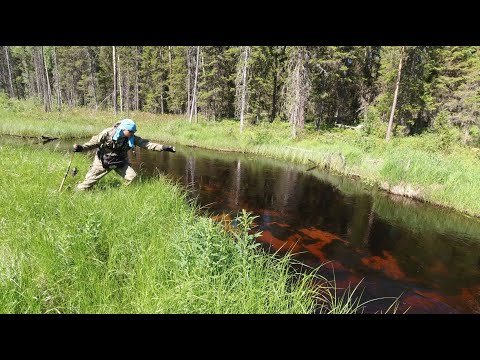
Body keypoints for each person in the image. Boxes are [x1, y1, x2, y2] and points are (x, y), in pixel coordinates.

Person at [72, 118, 176, 191]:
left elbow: (146, 144)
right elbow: (94, 142)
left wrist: (163, 147)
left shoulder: (132, 137)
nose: (132, 133)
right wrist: (81, 148)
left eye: (134, 131)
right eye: (131, 131)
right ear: (123, 129)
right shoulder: (108, 133)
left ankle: (121, 191)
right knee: (87, 183)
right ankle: (76, 191)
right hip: (103, 160)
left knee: (133, 177)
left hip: (120, 161)